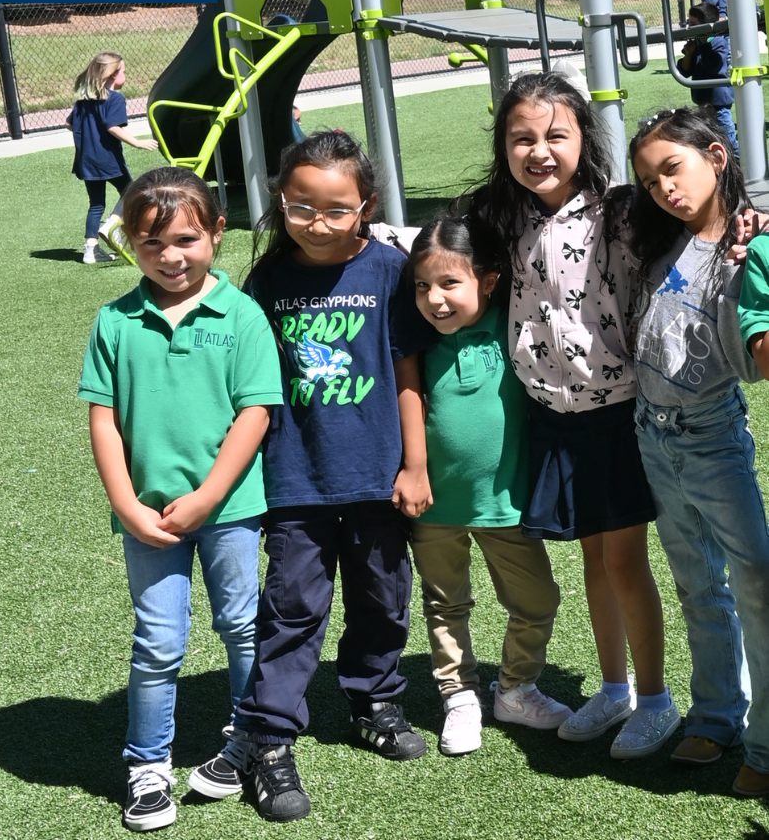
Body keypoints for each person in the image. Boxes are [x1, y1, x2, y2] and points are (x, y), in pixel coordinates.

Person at [223, 130, 434, 823]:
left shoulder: (389, 270)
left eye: (337, 209)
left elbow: (407, 371)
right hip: (296, 479)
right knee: (291, 609)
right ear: (281, 201)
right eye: (302, 206)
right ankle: (269, 739)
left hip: (378, 477)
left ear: (365, 207)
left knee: (382, 597)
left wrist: (414, 464)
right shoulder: (268, 280)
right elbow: (251, 384)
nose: (318, 222)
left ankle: (375, 700)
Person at [469, 71, 676, 759]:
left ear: (584, 137)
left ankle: (656, 699)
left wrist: (747, 220)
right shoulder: (500, 218)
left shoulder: (621, 211)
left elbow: (695, 224)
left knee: (624, 560)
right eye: (521, 137)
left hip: (617, 414)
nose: (539, 151)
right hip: (553, 417)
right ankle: (614, 688)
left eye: (555, 135)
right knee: (594, 557)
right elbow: (430, 247)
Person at [78, 167, 283, 832]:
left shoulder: (243, 315)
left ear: (217, 233)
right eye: (152, 243)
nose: (171, 257)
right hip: (148, 517)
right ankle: (146, 764)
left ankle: (254, 740)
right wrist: (127, 505)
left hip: (229, 511)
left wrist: (209, 495)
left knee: (242, 625)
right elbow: (104, 421)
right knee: (158, 641)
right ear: (131, 245)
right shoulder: (115, 321)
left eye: (186, 240)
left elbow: (255, 413)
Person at [630, 107, 769, 798]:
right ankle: (716, 715)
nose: (664, 189)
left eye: (672, 169)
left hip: (712, 436)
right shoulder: (662, 239)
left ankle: (765, 747)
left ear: (716, 156)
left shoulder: (752, 240)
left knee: (757, 582)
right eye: (650, 181)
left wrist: (756, 233)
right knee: (696, 582)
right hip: (651, 435)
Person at [408, 214, 568, 757]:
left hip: (505, 505)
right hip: (433, 508)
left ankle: (516, 689)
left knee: (538, 600)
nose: (435, 299)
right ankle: (459, 696)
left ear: (489, 281)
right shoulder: (415, 341)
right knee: (445, 604)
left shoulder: (514, 325)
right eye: (422, 286)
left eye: (450, 283)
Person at [67, 52, 158, 264]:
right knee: (132, 191)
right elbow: (112, 127)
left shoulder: (83, 101)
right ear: (113, 75)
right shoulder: (115, 98)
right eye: (124, 72)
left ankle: (91, 249)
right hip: (108, 159)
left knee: (96, 203)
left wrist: (87, 134)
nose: (125, 75)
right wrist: (137, 142)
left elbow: (69, 123)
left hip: (86, 161)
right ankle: (112, 226)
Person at [677, 1, 738, 154]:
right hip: (703, 100)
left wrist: (704, 46)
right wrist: (689, 54)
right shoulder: (696, 44)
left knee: (727, 137)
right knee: (709, 137)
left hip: (718, 102)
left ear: (705, 27)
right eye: (688, 22)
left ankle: (740, 160)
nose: (689, 27)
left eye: (693, 24)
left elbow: (713, 66)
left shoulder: (719, 43)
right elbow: (684, 72)